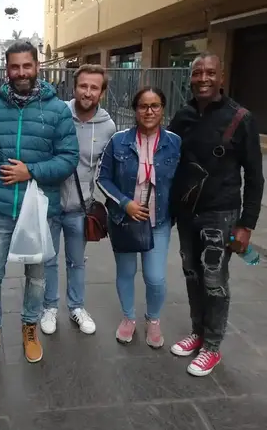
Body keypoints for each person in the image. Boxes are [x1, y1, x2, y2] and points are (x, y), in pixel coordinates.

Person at [0, 41, 79, 370]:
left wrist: (30, 171)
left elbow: (69, 158)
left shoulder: (57, 110)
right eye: (15, 67)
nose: (21, 72)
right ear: (7, 70)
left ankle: (29, 329)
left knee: (36, 276)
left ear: (37, 67)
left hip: (38, 211)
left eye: (27, 66)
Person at [168, 53, 264, 376]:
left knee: (214, 280)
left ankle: (212, 346)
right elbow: (170, 160)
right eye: (197, 73)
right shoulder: (183, 115)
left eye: (210, 73)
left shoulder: (241, 118)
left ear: (222, 77)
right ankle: (197, 332)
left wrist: (246, 224)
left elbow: (255, 177)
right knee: (192, 275)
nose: (203, 79)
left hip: (221, 214)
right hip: (187, 213)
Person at [97, 87, 181, 348]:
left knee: (155, 277)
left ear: (163, 109)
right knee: (126, 272)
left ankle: (153, 319)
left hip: (159, 221)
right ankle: (128, 318)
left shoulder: (174, 142)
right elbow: (102, 178)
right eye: (143, 106)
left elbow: (182, 181)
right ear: (135, 110)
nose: (149, 111)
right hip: (124, 221)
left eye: (155, 106)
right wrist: (126, 204)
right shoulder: (119, 141)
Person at [42, 64, 116, 336]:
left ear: (102, 92)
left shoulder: (108, 126)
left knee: (77, 261)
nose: (87, 92)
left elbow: (106, 167)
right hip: (50, 203)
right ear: (74, 88)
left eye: (94, 87)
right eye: (83, 86)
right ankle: (49, 307)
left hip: (80, 206)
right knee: (48, 259)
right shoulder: (58, 113)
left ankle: (76, 306)